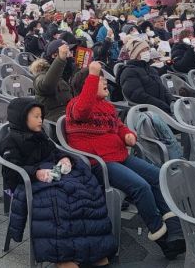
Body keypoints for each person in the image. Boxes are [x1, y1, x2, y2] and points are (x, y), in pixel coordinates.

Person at [66, 62, 185, 260]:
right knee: (141, 187)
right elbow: (82, 111)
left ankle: (174, 228)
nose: (104, 82)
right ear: (87, 84)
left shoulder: (106, 106)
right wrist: (93, 74)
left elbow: (118, 126)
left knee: (157, 176)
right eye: (99, 80)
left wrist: (127, 134)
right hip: (100, 164)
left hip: (119, 156)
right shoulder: (76, 105)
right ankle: (161, 237)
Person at [1, 96, 116, 267]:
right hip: (28, 181)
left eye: (41, 116)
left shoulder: (40, 134)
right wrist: (35, 173)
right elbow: (10, 172)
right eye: (36, 116)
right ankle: (63, 258)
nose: (41, 120)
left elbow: (54, 151)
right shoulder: (10, 141)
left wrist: (64, 158)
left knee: (87, 191)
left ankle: (94, 250)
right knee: (58, 203)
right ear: (22, 117)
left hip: (50, 174)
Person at [119, 38, 173, 113]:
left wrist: (172, 101)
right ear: (135, 53)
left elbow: (163, 88)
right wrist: (163, 106)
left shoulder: (150, 69)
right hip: (151, 112)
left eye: (147, 49)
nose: (147, 52)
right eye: (143, 50)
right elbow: (138, 96)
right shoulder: (129, 72)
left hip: (164, 108)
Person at [29, 40, 75, 122]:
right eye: (67, 53)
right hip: (54, 124)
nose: (71, 55)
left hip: (72, 117)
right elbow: (46, 85)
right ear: (55, 55)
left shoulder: (69, 73)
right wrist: (60, 60)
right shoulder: (41, 75)